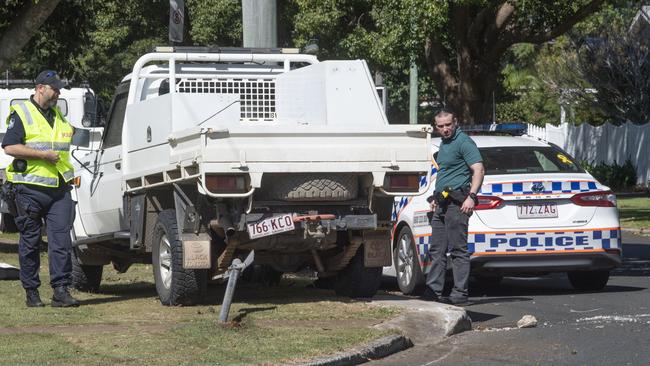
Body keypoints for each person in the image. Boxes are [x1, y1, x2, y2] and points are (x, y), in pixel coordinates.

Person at [2, 70, 80, 307]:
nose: (57, 93)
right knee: (30, 242)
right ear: (40, 88)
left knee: (61, 242)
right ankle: (32, 292)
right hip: (29, 189)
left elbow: (66, 140)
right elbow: (10, 147)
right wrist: (42, 155)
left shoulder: (58, 116)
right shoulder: (22, 113)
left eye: (58, 89)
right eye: (54, 89)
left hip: (59, 188)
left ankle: (61, 290)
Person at [421, 107, 485, 306]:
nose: (445, 129)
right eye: (441, 126)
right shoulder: (444, 143)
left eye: (448, 125)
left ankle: (459, 293)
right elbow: (445, 174)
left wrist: (471, 197)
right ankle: (434, 290)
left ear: (455, 122)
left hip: (458, 204)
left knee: (458, 250)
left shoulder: (463, 142)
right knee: (437, 250)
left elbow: (479, 170)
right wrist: (434, 198)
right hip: (442, 203)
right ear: (436, 127)